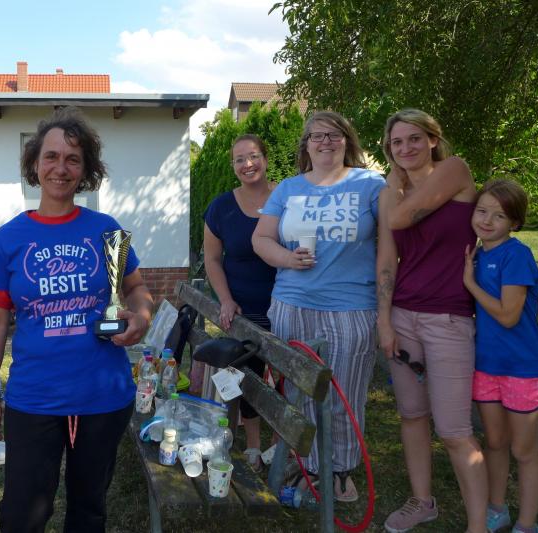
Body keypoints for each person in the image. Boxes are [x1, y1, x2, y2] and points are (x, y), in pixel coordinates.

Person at [0, 106, 153, 533]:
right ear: (35, 164)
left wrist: (142, 315)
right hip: (34, 397)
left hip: (103, 395)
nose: (61, 167)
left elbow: (136, 288)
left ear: (86, 169)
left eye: (73, 159)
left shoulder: (107, 229)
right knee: (22, 514)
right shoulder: (9, 238)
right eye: (51, 157)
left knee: (89, 510)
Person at [252, 111, 385, 502]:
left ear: (347, 141)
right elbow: (261, 239)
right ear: (306, 145)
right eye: (317, 136)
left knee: (344, 394)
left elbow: (397, 236)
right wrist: (287, 258)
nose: (325, 141)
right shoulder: (288, 188)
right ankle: (307, 464)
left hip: (351, 308)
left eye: (334, 134)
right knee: (299, 392)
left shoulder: (370, 184)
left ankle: (341, 470)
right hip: (292, 304)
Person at [376, 108, 487, 533]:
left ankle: (478, 525)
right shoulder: (389, 193)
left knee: (455, 430)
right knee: (411, 415)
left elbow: (401, 219)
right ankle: (422, 502)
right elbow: (387, 259)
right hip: (404, 315)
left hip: (449, 318)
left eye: (414, 139)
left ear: (433, 140)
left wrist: (393, 184)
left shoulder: (454, 170)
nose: (405, 148)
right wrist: (385, 320)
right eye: (396, 142)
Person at [463, 180, 538, 533]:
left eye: (499, 216)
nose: (487, 220)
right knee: (495, 443)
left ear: (514, 222)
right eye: (481, 211)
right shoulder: (477, 255)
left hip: (522, 369)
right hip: (487, 366)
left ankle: (527, 524)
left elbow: (508, 315)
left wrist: (470, 284)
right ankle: (496, 509)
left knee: (524, 451)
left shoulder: (516, 255)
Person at [203, 133, 276, 470]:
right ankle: (254, 446)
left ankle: (280, 447)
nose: (248, 164)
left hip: (286, 307)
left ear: (265, 158)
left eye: (254, 156)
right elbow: (212, 260)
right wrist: (226, 300)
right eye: (239, 159)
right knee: (247, 378)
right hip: (243, 311)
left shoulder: (286, 197)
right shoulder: (221, 207)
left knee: (287, 381)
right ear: (233, 165)